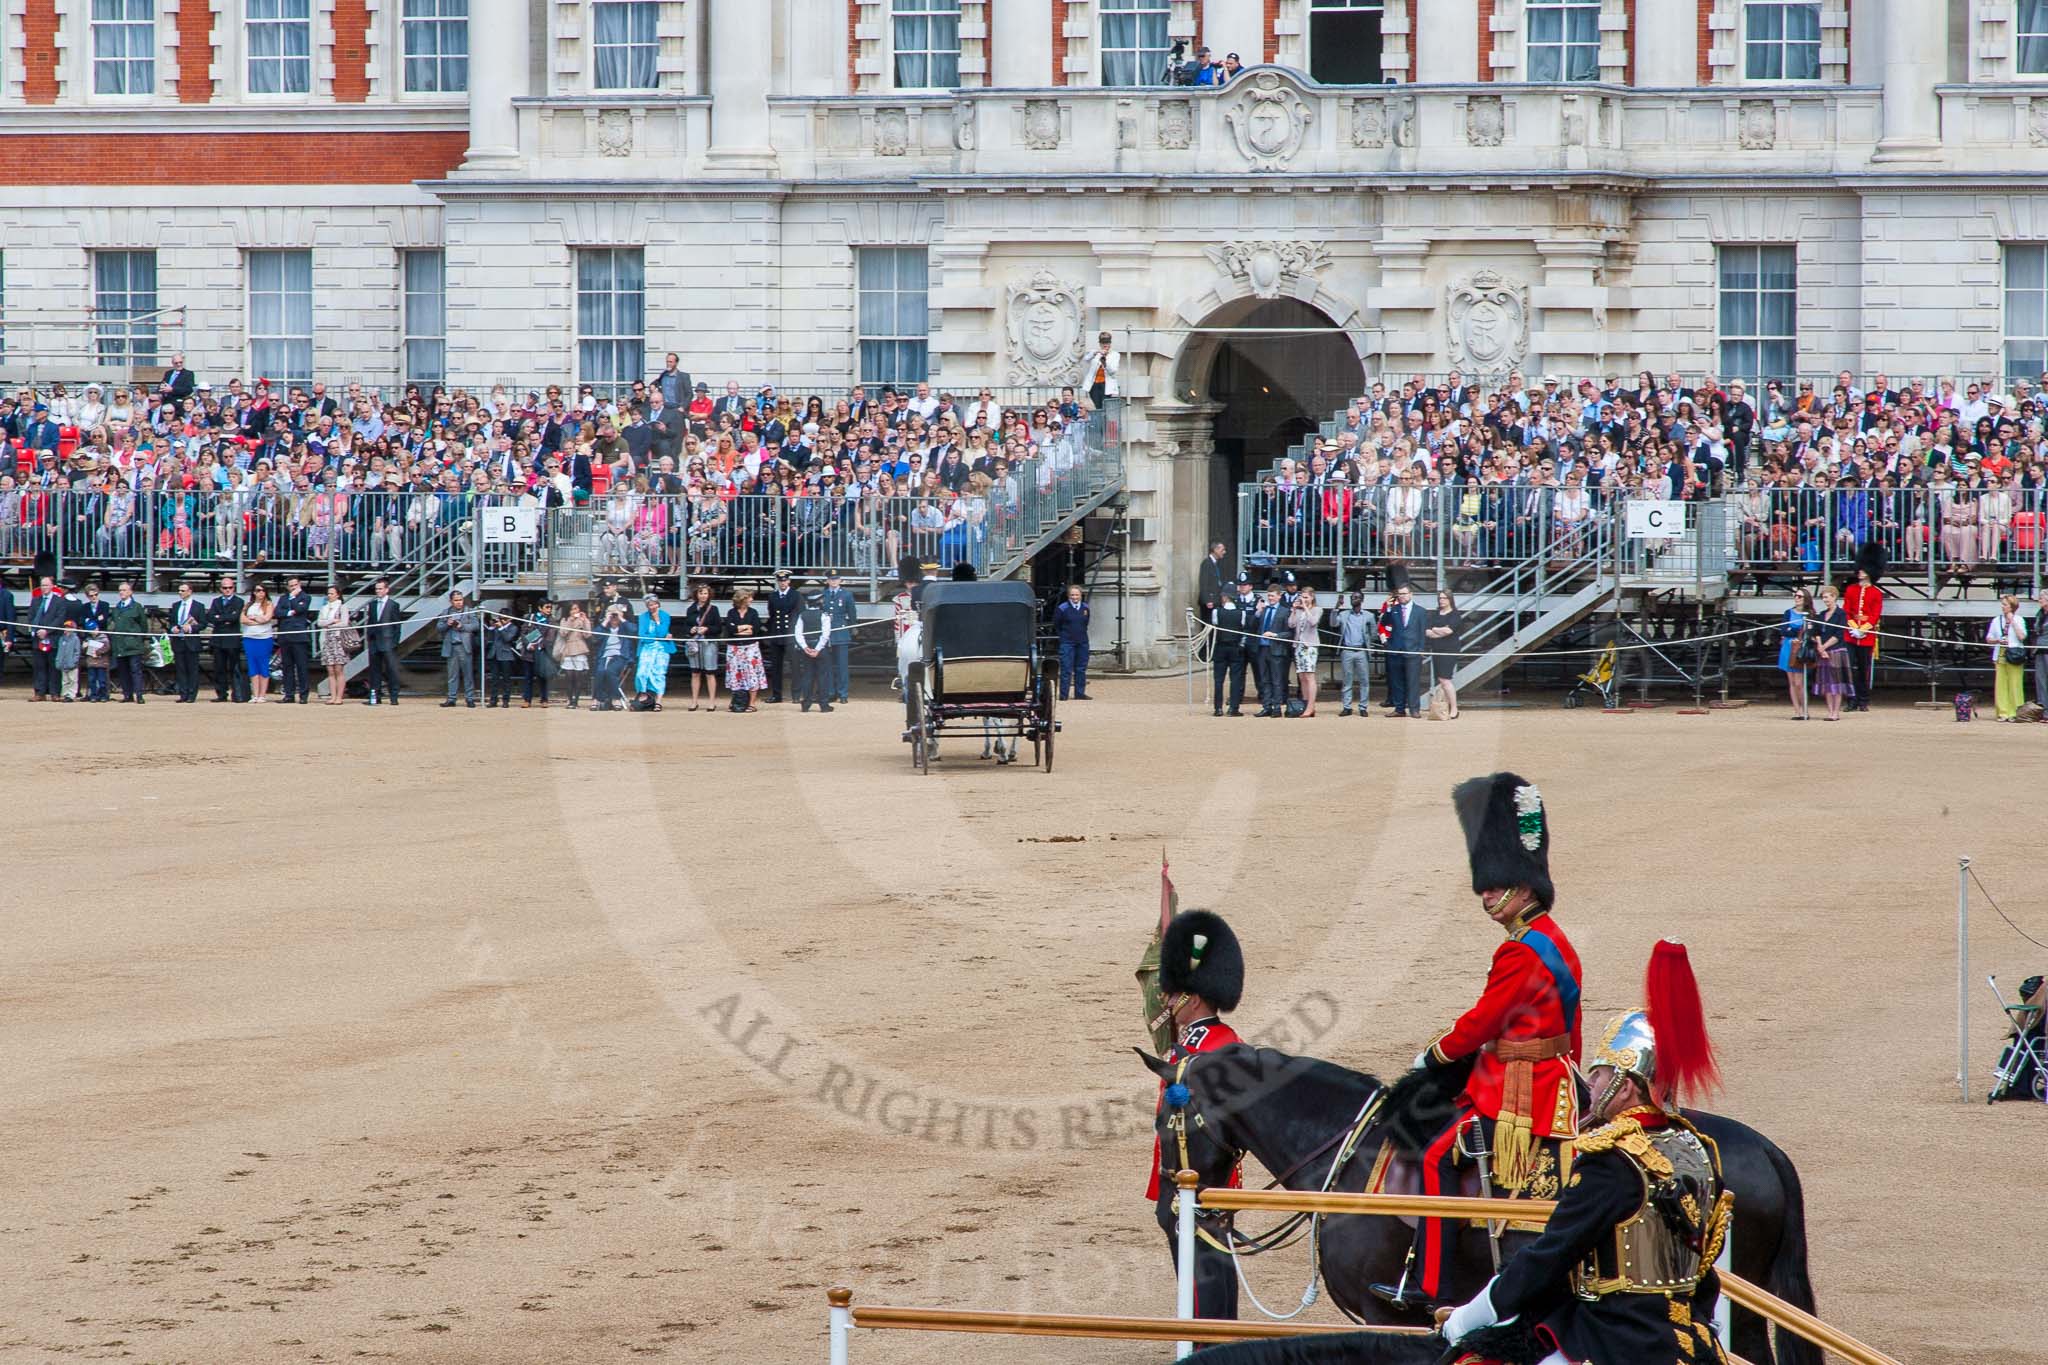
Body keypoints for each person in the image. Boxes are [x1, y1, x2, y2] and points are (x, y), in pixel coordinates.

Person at [1440, 942, 1730, 1365]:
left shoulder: (1611, 1159)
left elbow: (1549, 1257)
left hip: (1615, 1340)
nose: (1590, 1083)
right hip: (1692, 1341)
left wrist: (1469, 1316)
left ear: (1627, 1085)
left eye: (1600, 1073)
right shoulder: (1698, 1148)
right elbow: (1704, 1267)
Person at [1375, 774, 1582, 1310]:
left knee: (1435, 1158)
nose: (1486, 896)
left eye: (1494, 886)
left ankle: (1430, 1285)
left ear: (1524, 885)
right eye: (1484, 887)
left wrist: (1434, 1055)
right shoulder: (1554, 941)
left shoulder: (1519, 952)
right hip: (1553, 1079)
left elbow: (1482, 1023)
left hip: (1520, 1092)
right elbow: (1569, 1025)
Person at [1145, 909, 1246, 1323]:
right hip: (1183, 1172)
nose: (1167, 1002)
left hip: (1202, 1176)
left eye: (1173, 994)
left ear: (1195, 996)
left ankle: (1208, 1342)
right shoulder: (1194, 1042)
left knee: (1206, 1268)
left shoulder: (1215, 1046)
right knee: (1196, 1266)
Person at [1842, 543, 1884, 713]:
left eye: (1863, 569)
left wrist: (1863, 630)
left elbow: (1874, 615)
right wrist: (1853, 627)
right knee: (1849, 668)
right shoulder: (1851, 589)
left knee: (1863, 670)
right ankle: (1851, 700)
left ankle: (1863, 700)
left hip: (1866, 636)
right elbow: (1847, 611)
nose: (1859, 571)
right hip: (1851, 634)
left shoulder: (1876, 593)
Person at [1381, 573, 1427, 718]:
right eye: (1399, 594)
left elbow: (1422, 632)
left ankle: (1414, 709)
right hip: (1395, 651)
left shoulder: (1420, 611)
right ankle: (1399, 708)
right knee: (1397, 682)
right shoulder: (1393, 609)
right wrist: (1387, 608)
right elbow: (1384, 623)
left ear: (1411, 594)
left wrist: (1421, 649)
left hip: (1413, 652)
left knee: (1413, 682)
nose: (1401, 596)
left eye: (1404, 594)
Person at [1211, 575, 1256, 717]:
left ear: (1224, 597)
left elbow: (1215, 626)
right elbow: (1242, 627)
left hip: (1220, 648)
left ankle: (1218, 708)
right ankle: (1233, 708)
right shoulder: (1241, 613)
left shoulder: (1216, 612)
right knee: (1235, 679)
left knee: (1219, 679)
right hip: (1235, 648)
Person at [1809, 583, 1851, 722]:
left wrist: (1825, 647)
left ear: (1834, 597)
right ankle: (1829, 711)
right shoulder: (1821, 615)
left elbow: (1839, 634)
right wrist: (1820, 647)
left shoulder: (1841, 614)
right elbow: (1816, 632)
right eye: (1823, 598)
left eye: (1827, 597)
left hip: (1837, 650)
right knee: (1826, 683)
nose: (1825, 600)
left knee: (1836, 682)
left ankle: (1836, 712)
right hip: (1824, 652)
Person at [791, 579, 833, 713]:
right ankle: (823, 704)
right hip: (819, 649)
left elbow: (798, 633)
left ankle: (806, 703)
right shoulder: (824, 616)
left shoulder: (802, 615)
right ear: (819, 601)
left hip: (807, 648)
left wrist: (805, 647)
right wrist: (818, 649)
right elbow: (825, 635)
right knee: (822, 676)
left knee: (807, 676)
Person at [1331, 590, 1375, 718]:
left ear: (1362, 599)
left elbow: (1373, 632)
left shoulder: (1368, 616)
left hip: (1361, 651)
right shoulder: (1344, 615)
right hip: (1347, 650)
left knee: (1364, 680)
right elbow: (1333, 623)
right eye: (1352, 597)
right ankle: (1347, 706)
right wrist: (1336, 607)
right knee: (1347, 680)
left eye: (1356, 597)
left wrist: (1368, 644)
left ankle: (1363, 707)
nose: (1353, 599)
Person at [680, 581, 723, 711]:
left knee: (710, 673)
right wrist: (691, 630)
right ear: (696, 594)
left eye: (705, 593)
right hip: (694, 643)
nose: (703, 596)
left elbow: (719, 628)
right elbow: (685, 626)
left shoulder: (713, 609)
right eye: (701, 593)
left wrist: (707, 629)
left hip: (708, 643)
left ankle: (711, 702)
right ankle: (694, 701)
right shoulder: (691, 609)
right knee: (695, 673)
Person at [361, 577, 403, 706]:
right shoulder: (372, 605)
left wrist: (395, 642)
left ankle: (394, 696)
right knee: (374, 670)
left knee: (391, 670)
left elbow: (397, 626)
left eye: (380, 589)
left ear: (386, 589)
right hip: (374, 641)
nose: (378, 591)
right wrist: (369, 637)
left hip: (388, 642)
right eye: (376, 589)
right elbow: (370, 622)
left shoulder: (393, 605)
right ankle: (375, 696)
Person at [724, 587, 768, 712]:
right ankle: (737, 701)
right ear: (743, 599)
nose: (751, 599)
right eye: (749, 597)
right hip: (734, 648)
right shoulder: (731, 613)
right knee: (735, 675)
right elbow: (730, 629)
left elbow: (755, 630)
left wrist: (739, 629)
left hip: (750, 648)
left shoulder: (753, 613)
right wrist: (744, 627)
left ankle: (752, 703)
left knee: (751, 673)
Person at [1987, 593, 2029, 721]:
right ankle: (2003, 712)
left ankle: (2015, 712)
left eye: (2005, 604)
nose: (2002, 607)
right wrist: (1997, 640)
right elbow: (1989, 638)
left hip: (2014, 654)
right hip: (2000, 653)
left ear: (2012, 607)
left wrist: (2012, 622)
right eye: (2002, 604)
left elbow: (2022, 637)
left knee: (2015, 684)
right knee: (2001, 684)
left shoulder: (2019, 619)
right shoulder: (1996, 620)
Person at [272, 575, 314, 704]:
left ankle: (303, 695)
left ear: (299, 584)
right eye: (291, 586)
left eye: (295, 585)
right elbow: (278, 612)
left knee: (301, 667)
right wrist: (289, 612)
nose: (293, 588)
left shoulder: (305, 597)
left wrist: (293, 598)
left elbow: (300, 609)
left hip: (299, 637)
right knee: (287, 667)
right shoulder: (283, 598)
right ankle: (289, 695)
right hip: (285, 636)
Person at [107, 580, 149, 704]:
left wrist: (137, 640)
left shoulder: (137, 607)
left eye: (124, 590)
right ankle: (127, 694)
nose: (122, 592)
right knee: (123, 671)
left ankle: (139, 695)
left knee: (135, 671)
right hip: (120, 645)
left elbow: (143, 625)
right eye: (120, 590)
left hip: (133, 645)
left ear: (130, 592)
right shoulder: (117, 608)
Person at [1253, 583, 1291, 717]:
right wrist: (1258, 612)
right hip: (1262, 648)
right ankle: (1266, 706)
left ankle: (1277, 707)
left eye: (1273, 596)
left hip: (1277, 649)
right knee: (1264, 679)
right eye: (1269, 595)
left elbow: (1289, 633)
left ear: (1279, 596)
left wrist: (1275, 635)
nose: (1270, 598)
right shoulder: (1264, 610)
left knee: (1277, 680)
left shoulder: (1285, 611)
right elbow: (1254, 626)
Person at [634, 593, 676, 711]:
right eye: (649, 605)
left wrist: (657, 621)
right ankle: (643, 697)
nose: (652, 607)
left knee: (659, 674)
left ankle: (658, 701)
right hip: (646, 648)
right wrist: (657, 636)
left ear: (658, 604)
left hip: (662, 649)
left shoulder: (665, 616)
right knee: (641, 673)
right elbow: (642, 636)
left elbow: (663, 633)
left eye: (654, 604)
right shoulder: (643, 617)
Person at [1425, 588, 1463, 719]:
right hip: (1437, 649)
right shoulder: (1435, 614)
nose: (1441, 600)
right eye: (1440, 598)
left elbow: (1448, 631)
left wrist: (1435, 629)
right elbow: (1427, 632)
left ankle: (1454, 708)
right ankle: (1446, 707)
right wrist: (1438, 632)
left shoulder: (1455, 615)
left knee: (1444, 679)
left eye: (1443, 598)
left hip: (1450, 649)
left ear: (1450, 599)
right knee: (1441, 680)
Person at [821, 570, 857, 703]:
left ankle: (843, 693)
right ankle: (830, 692)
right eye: (831, 579)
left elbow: (852, 612)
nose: (834, 581)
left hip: (841, 632)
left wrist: (853, 627)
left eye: (836, 579)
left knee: (842, 665)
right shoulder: (823, 594)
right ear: (827, 581)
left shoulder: (846, 595)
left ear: (840, 580)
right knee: (827, 665)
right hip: (826, 634)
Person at [439, 589, 479, 708]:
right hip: (451, 646)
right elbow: (439, 627)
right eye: (456, 600)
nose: (459, 602)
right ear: (451, 601)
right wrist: (448, 624)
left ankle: (470, 698)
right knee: (452, 674)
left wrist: (462, 626)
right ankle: (451, 698)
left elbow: (476, 625)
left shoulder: (469, 611)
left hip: (464, 646)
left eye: (460, 600)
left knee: (468, 674)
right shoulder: (446, 612)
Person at [592, 601, 635, 710]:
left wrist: (621, 618)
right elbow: (595, 636)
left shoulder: (625, 627)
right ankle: (597, 699)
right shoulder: (604, 628)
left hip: (620, 656)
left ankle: (615, 698)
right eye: (612, 614)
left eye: (615, 614)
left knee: (610, 671)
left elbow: (634, 630)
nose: (614, 617)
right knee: (600, 672)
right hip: (605, 655)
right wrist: (606, 620)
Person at [167, 581, 206, 703]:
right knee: (181, 669)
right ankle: (183, 694)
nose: (180, 593)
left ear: (190, 591)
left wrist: (192, 628)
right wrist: (173, 628)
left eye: (183, 590)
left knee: (192, 670)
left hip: (191, 642)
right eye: (179, 590)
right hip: (178, 641)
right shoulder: (175, 605)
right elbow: (172, 622)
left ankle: (191, 695)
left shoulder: (198, 606)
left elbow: (203, 624)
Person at [1778, 586, 1813, 720]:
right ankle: (1797, 711)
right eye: (1795, 596)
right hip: (1788, 647)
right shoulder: (1788, 612)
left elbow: (1809, 631)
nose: (1796, 599)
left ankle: (1805, 709)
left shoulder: (1809, 614)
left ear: (1805, 599)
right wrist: (1796, 630)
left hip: (1801, 647)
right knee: (1792, 681)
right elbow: (1784, 631)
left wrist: (1793, 629)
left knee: (1800, 683)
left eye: (1800, 596)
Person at [764, 568, 798, 703]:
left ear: (789, 581)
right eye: (780, 581)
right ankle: (776, 694)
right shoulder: (773, 596)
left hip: (790, 635)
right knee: (776, 667)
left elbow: (798, 615)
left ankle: (796, 694)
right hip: (777, 635)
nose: (782, 583)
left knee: (795, 665)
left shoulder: (796, 595)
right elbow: (772, 615)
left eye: (785, 581)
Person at [1054, 583, 1092, 701]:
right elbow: (1057, 624)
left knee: (1081, 668)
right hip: (1067, 642)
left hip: (1082, 642)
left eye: (1077, 595)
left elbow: (1086, 623)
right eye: (1072, 595)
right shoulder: (1062, 608)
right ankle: (1064, 695)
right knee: (1066, 668)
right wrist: (1064, 636)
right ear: (1068, 596)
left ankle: (1079, 693)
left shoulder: (1085, 608)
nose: (1074, 597)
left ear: (1081, 595)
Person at [239, 583, 277, 702]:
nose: (260, 593)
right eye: (258, 590)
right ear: (254, 592)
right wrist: (257, 620)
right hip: (249, 638)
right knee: (252, 666)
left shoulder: (268, 604)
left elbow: (266, 618)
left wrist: (254, 618)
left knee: (263, 665)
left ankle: (262, 695)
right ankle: (255, 694)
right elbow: (242, 619)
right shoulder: (248, 605)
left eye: (263, 591)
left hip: (264, 638)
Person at [316, 584, 353, 705]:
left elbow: (345, 623)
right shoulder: (324, 608)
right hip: (327, 640)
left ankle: (339, 697)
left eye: (332, 593)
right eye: (328, 593)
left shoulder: (343, 607)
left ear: (338, 594)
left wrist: (330, 625)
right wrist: (331, 621)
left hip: (338, 640)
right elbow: (319, 622)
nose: (329, 595)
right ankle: (332, 696)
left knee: (339, 669)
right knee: (330, 670)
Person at [1289, 585, 1322, 717]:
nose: (1304, 599)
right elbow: (1291, 624)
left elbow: (1313, 622)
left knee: (1309, 676)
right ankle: (1305, 703)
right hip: (1298, 645)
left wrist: (1306, 608)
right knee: (1302, 676)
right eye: (1302, 597)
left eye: (1306, 597)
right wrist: (1294, 610)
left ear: (1312, 597)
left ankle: (1311, 705)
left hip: (1310, 646)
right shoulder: (1299, 611)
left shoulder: (1317, 609)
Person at [76, 584, 112, 702]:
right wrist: (95, 621)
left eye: (96, 595)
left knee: (102, 672)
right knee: (91, 671)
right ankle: (92, 694)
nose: (94, 597)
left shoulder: (104, 605)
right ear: (87, 596)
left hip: (102, 638)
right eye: (91, 596)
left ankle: (104, 694)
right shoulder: (84, 607)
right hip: (89, 638)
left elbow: (104, 619)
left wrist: (91, 622)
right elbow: (82, 621)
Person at [555, 601, 592, 709]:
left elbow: (588, 634)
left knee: (578, 677)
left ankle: (576, 700)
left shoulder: (583, 619)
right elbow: (563, 633)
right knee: (569, 677)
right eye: (572, 609)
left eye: (576, 609)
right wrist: (570, 621)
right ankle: (570, 700)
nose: (574, 611)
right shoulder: (564, 620)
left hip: (580, 647)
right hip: (568, 649)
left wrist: (585, 621)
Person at [485, 608, 523, 708]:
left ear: (509, 619)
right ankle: (493, 699)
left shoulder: (513, 628)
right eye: (500, 618)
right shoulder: (497, 627)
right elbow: (489, 639)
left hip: (506, 655)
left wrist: (501, 628)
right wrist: (492, 628)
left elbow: (507, 638)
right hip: (494, 654)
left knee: (506, 679)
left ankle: (506, 700)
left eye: (504, 618)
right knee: (494, 679)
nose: (502, 620)